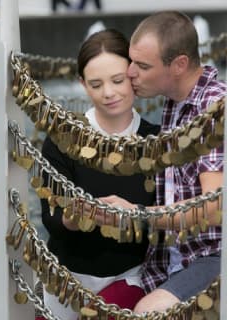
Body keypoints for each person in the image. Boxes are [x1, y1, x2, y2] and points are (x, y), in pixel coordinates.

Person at [99, 11, 226, 313]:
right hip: (170, 258)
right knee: (98, 306)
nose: (130, 72)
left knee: (148, 312)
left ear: (179, 65)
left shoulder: (213, 108)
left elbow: (213, 208)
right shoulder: (176, 101)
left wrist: (137, 215)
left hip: (213, 257)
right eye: (132, 61)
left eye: (142, 66)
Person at [39, 29, 160, 320]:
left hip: (130, 275)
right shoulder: (62, 138)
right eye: (96, 84)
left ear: (133, 74)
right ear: (82, 84)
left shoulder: (158, 141)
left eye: (118, 80)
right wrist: (73, 217)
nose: (108, 93)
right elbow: (50, 218)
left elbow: (169, 219)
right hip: (65, 276)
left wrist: (133, 214)